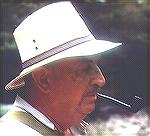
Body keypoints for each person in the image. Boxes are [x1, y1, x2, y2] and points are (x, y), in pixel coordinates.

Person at [0, 1, 121, 136]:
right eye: (85, 69)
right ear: (44, 79)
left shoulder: (66, 127)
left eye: (96, 65)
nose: (101, 80)